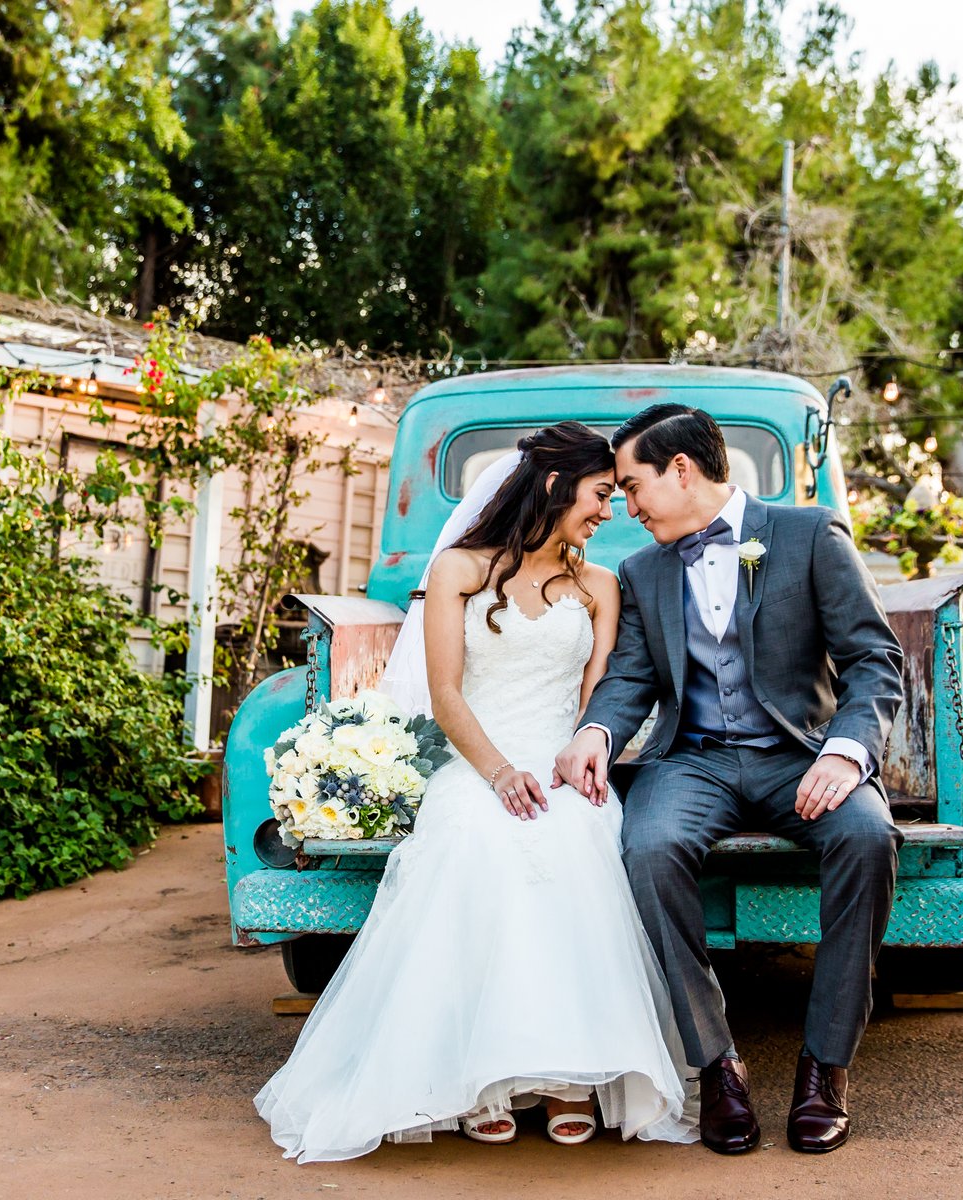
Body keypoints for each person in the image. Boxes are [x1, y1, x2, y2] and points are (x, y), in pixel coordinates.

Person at [255, 422, 698, 1164]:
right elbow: (447, 695)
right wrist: (497, 772)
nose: (609, 510)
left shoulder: (599, 585)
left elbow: (599, 701)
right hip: (477, 761)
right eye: (599, 494)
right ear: (555, 486)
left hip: (560, 764)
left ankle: (569, 1077)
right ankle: (479, 1081)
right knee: (475, 837)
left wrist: (577, 762)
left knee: (577, 836)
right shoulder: (458, 570)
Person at [555, 403, 904, 1155]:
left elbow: (874, 660)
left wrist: (845, 752)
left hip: (801, 756)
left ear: (681, 470)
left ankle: (826, 1067)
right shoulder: (644, 571)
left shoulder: (810, 534)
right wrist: (595, 731)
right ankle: (716, 1065)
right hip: (695, 761)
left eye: (634, 486)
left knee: (868, 838)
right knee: (648, 848)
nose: (628, 507)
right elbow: (631, 677)